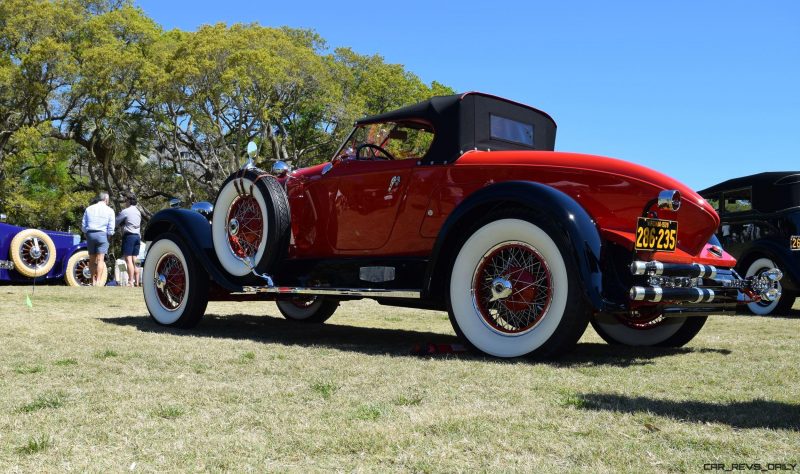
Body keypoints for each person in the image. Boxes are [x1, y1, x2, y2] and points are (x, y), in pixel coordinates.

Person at [81, 192, 115, 286]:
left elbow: (84, 225)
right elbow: (111, 228)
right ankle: (99, 281)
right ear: (106, 199)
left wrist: (86, 233)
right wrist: (108, 237)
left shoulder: (89, 208)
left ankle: (93, 280)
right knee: (100, 259)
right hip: (102, 234)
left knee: (92, 259)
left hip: (90, 234)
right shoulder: (110, 210)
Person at [116, 195, 142, 287]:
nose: (125, 203)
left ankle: (130, 281)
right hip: (137, 236)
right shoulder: (138, 212)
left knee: (128, 259)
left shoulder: (126, 211)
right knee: (135, 258)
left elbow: (116, 222)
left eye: (126, 201)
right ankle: (137, 282)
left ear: (129, 201)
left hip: (129, 236)